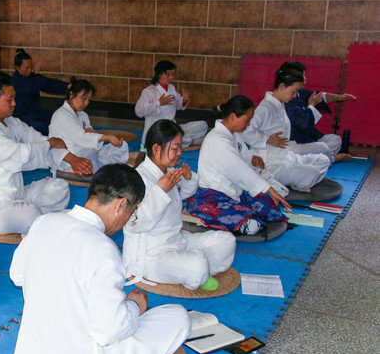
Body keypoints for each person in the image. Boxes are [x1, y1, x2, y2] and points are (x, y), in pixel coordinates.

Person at [10, 164, 190, 354]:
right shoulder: (103, 248)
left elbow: (16, 275)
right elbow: (108, 333)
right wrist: (134, 306)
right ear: (121, 205)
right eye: (132, 212)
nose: (128, 219)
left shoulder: (44, 222)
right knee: (177, 316)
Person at [0, 72, 92, 235]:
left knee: (59, 187)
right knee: (29, 214)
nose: (14, 103)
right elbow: (19, 156)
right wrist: (49, 143)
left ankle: (40, 219)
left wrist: (72, 159)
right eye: (9, 99)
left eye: (14, 98)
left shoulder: (12, 122)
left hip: (18, 194)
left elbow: (41, 141)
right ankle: (42, 219)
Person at [123, 120, 235, 291]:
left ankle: (194, 271)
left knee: (226, 241)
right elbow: (133, 224)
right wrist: (160, 191)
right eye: (175, 148)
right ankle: (196, 271)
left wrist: (189, 180)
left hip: (177, 240)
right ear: (156, 149)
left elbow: (177, 199)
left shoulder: (166, 172)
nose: (180, 153)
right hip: (151, 255)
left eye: (180, 147)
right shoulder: (137, 178)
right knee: (197, 265)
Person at [186, 95, 291, 235]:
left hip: (235, 191)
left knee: (271, 208)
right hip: (213, 195)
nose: (248, 125)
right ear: (233, 116)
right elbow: (238, 170)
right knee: (252, 226)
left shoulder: (233, 135)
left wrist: (253, 161)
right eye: (246, 121)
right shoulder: (217, 140)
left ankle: (245, 209)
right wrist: (268, 189)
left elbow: (244, 159)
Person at [241, 69, 330, 191]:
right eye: (293, 92)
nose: (294, 96)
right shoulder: (265, 108)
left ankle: (296, 179)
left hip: (286, 156)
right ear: (282, 87)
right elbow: (245, 131)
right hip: (271, 164)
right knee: (312, 173)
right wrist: (267, 140)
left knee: (324, 160)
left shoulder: (280, 104)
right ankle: (292, 180)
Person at [278, 61, 356, 164]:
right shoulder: (285, 99)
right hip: (290, 144)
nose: (305, 79)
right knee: (322, 148)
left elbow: (319, 96)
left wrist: (340, 97)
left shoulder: (297, 93)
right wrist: (311, 105)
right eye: (303, 75)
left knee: (335, 140)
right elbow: (303, 124)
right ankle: (331, 159)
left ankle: (318, 158)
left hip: (303, 141)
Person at [48, 77, 129, 172]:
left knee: (122, 146)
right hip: (68, 157)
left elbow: (89, 135)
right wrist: (106, 137)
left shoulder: (83, 114)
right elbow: (79, 137)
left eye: (89, 100)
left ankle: (100, 167)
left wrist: (92, 132)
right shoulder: (61, 114)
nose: (86, 103)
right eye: (83, 98)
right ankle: (99, 168)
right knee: (89, 153)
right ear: (72, 94)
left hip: (85, 150)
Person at [135, 60, 207, 149]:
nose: (171, 77)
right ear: (159, 74)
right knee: (184, 139)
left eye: (172, 75)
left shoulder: (171, 88)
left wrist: (184, 100)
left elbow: (178, 105)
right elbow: (138, 111)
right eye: (168, 74)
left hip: (172, 127)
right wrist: (158, 103)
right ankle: (193, 141)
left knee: (203, 125)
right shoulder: (149, 91)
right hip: (158, 130)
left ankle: (188, 140)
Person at [11, 48, 69, 135]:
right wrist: (37, 72)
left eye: (31, 67)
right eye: (26, 68)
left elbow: (48, 83)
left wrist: (67, 87)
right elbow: (34, 87)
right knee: (42, 127)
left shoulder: (32, 77)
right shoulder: (15, 80)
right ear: (17, 67)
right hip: (22, 117)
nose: (30, 70)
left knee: (59, 116)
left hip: (37, 114)